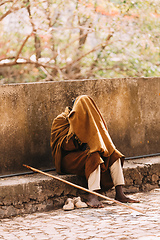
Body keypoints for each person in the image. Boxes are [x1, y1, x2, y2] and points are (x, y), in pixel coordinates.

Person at [50, 95, 139, 207]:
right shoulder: (61, 120)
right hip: (68, 159)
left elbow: (99, 140)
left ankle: (120, 193)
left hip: (84, 154)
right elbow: (63, 146)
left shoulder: (89, 118)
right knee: (94, 156)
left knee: (113, 154)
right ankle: (93, 196)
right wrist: (76, 130)